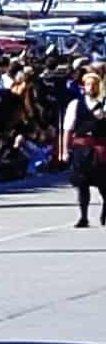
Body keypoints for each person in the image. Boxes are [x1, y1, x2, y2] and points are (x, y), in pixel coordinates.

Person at [63, 69, 106, 228]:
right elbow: (68, 128)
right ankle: (83, 216)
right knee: (82, 183)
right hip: (81, 148)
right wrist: (64, 150)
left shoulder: (104, 104)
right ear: (83, 87)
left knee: (103, 184)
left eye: (94, 85)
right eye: (88, 84)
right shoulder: (75, 104)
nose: (91, 87)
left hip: (100, 149)